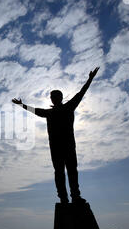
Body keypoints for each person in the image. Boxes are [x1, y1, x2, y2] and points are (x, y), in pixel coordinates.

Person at [12, 67, 100, 204]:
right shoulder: (50, 112)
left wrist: (90, 79)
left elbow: (81, 92)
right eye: (52, 97)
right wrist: (22, 105)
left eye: (55, 97)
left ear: (60, 98)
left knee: (71, 171)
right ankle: (64, 198)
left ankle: (75, 196)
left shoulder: (68, 107)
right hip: (57, 148)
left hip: (68, 146)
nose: (53, 99)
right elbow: (35, 111)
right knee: (60, 173)